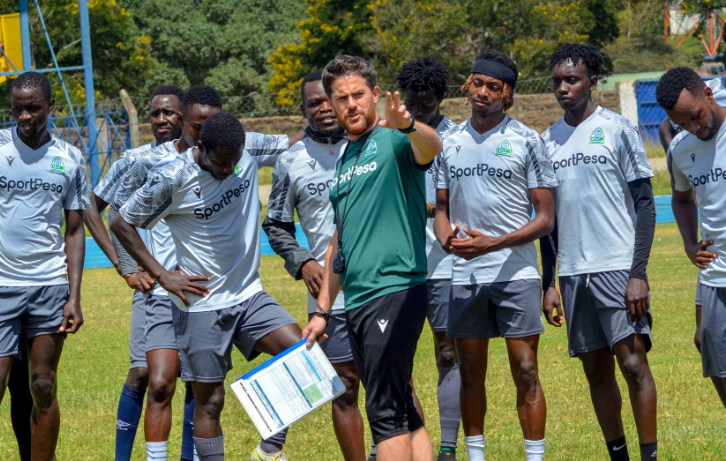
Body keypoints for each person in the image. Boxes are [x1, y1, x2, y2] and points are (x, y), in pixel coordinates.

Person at [108, 86, 300, 461]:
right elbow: (120, 222)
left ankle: (270, 447)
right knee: (209, 402)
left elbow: (296, 140)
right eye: (221, 162)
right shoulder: (173, 178)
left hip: (249, 295)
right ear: (202, 148)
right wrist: (163, 275)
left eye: (235, 160)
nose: (229, 169)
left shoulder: (247, 148)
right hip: (201, 307)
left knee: (303, 354)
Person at [303, 55, 443, 461]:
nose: (351, 104)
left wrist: (411, 126)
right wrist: (323, 311)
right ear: (330, 103)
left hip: (396, 288)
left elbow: (432, 147)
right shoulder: (345, 157)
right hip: (358, 298)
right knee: (399, 406)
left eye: (359, 95)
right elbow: (337, 243)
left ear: (376, 95)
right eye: (341, 97)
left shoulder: (395, 138)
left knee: (383, 411)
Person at [434, 50, 556, 461]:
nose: (482, 92)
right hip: (465, 275)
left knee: (526, 370)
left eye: (493, 87)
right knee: (470, 373)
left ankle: (534, 456)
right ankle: (476, 456)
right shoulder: (447, 144)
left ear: (508, 96)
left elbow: (545, 219)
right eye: (477, 83)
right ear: (468, 86)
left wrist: (493, 243)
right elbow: (441, 211)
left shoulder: (528, 140)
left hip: (516, 272)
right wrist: (448, 241)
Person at [541, 44, 658, 461]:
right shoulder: (546, 141)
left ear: (592, 81)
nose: (563, 88)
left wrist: (637, 272)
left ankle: (649, 456)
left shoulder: (618, 129)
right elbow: (547, 221)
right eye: (557, 81)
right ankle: (619, 455)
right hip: (573, 274)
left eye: (571, 79)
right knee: (595, 370)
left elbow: (645, 204)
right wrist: (548, 282)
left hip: (616, 267)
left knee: (632, 364)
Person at [264, 69, 373, 461]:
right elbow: (275, 225)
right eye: (314, 104)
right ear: (304, 109)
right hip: (328, 297)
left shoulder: (370, 145)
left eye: (329, 100)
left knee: (395, 382)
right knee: (343, 386)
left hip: (379, 288)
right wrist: (302, 261)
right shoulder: (289, 160)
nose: (325, 109)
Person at [86, 84, 197, 461]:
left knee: (196, 380)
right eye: (155, 113)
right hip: (151, 290)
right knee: (143, 374)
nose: (161, 119)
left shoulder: (203, 159)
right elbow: (92, 206)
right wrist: (125, 267)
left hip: (196, 289)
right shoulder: (134, 160)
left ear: (184, 115)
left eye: (169, 112)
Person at [0, 71, 89, 460]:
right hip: (2, 285)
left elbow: (74, 231)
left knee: (42, 384)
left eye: (33, 108)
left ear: (50, 107)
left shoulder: (69, 158)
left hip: (49, 286)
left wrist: (75, 296)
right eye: (18, 109)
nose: (24, 116)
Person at [396, 56, 461, 461]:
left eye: (426, 101)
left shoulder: (456, 137)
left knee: (446, 351)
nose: (418, 108)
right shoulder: (390, 135)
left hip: (443, 263)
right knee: (390, 356)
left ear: (440, 98)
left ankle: (449, 448)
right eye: (411, 101)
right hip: (396, 265)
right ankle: (389, 439)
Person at [656, 66, 726, 412]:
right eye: (683, 124)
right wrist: (688, 243)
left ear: (709, 95)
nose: (694, 128)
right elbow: (681, 199)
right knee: (711, 350)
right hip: (716, 272)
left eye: (696, 117)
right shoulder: (681, 150)